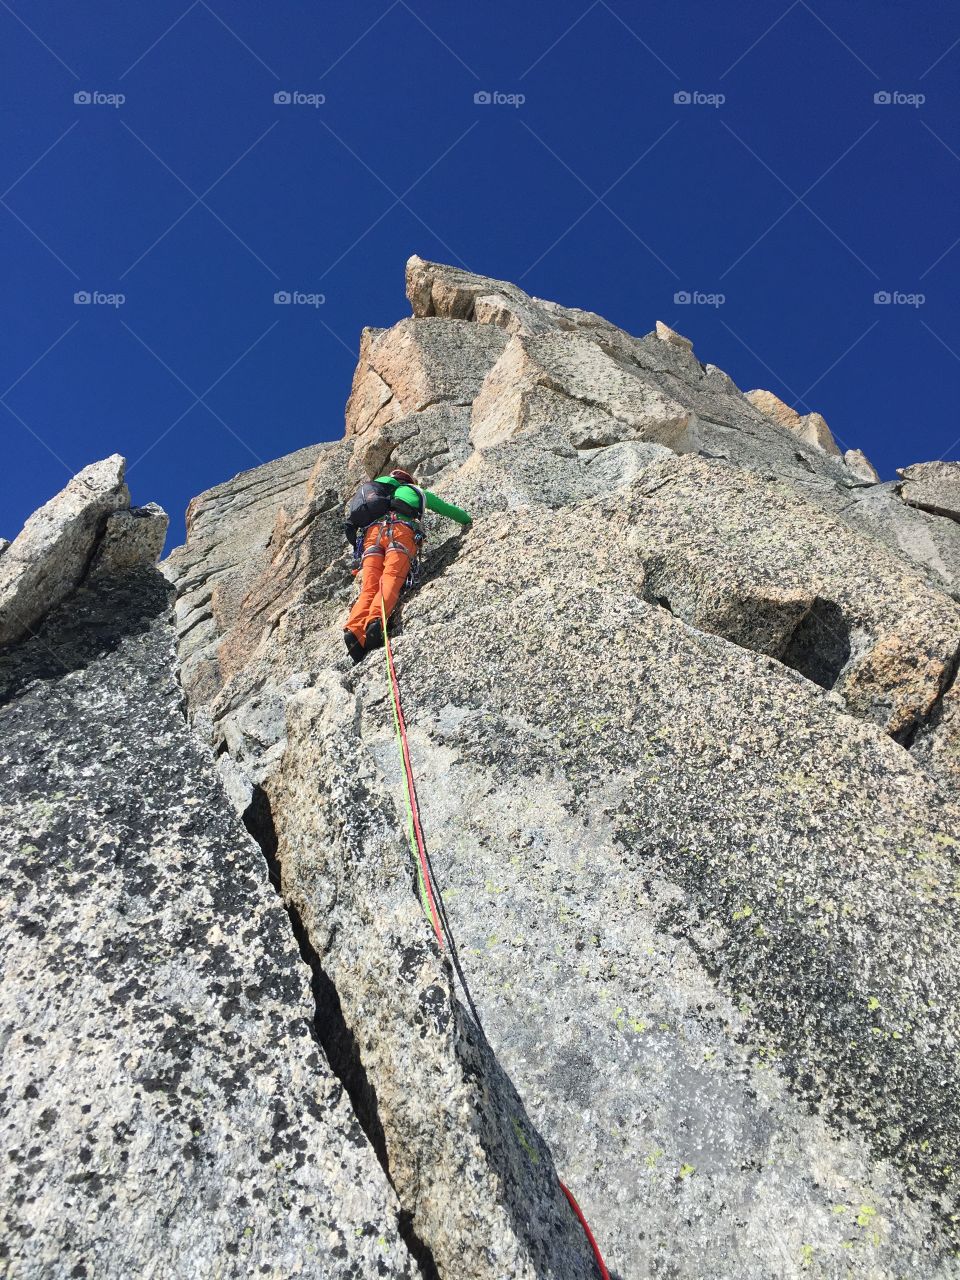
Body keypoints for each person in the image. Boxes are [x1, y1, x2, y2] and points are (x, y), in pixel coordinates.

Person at [342, 468, 471, 662]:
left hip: (372, 537)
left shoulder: (376, 495)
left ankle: (354, 630)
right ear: (408, 481)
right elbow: (446, 509)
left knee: (369, 586)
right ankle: (375, 622)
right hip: (401, 531)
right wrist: (468, 520)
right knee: (391, 577)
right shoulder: (414, 491)